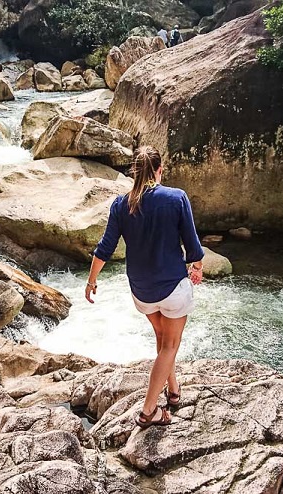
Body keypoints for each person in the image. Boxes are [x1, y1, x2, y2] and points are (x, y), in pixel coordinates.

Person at [86, 146, 204, 428]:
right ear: (159, 170)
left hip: (141, 292)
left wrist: (91, 281)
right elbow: (193, 245)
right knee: (170, 345)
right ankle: (149, 411)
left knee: (163, 340)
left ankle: (173, 391)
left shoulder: (120, 204)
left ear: (134, 174)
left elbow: (104, 248)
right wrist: (196, 268)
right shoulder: (176, 198)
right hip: (172, 288)